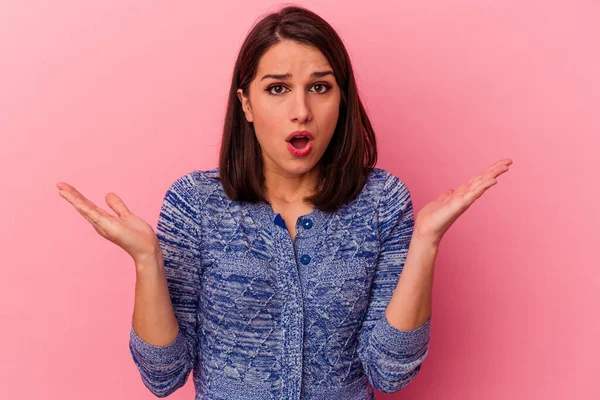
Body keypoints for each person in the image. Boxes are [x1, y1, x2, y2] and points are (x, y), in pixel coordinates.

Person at [56, 5, 512, 399]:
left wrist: (426, 243)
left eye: (320, 86)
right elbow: (162, 376)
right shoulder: (195, 204)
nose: (302, 111)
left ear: (342, 98)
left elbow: (390, 374)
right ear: (246, 104)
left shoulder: (382, 201)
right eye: (277, 88)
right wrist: (147, 260)